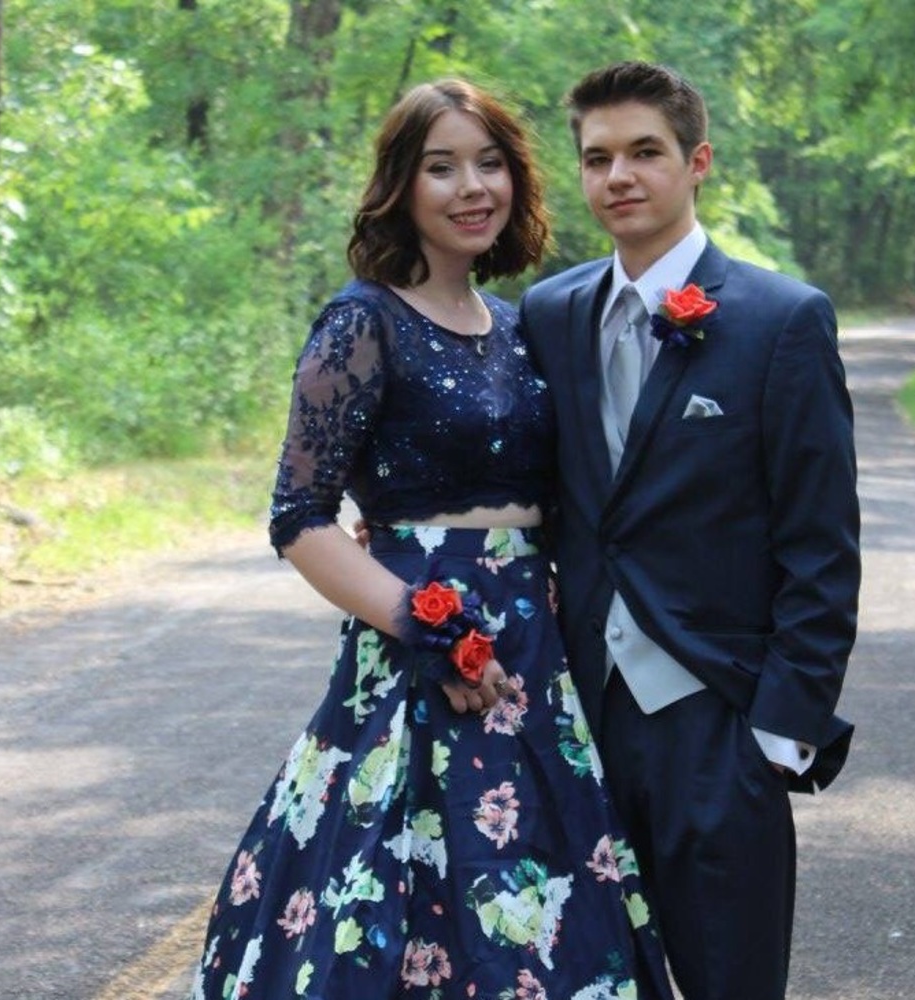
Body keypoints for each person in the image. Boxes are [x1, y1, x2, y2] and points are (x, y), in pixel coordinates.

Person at [189, 78, 673, 1000]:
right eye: (441, 168)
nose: (471, 188)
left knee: (543, 892)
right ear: (401, 186)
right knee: (406, 888)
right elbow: (298, 517)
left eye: (490, 164)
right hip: (419, 643)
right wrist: (427, 626)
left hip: (534, 652)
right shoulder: (363, 322)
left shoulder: (523, 327)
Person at [519, 61, 861, 1000]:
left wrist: (779, 735)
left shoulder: (781, 321)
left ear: (697, 161)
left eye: (645, 152)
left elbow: (821, 545)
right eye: (597, 158)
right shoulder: (549, 314)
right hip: (577, 723)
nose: (619, 176)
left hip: (720, 723)